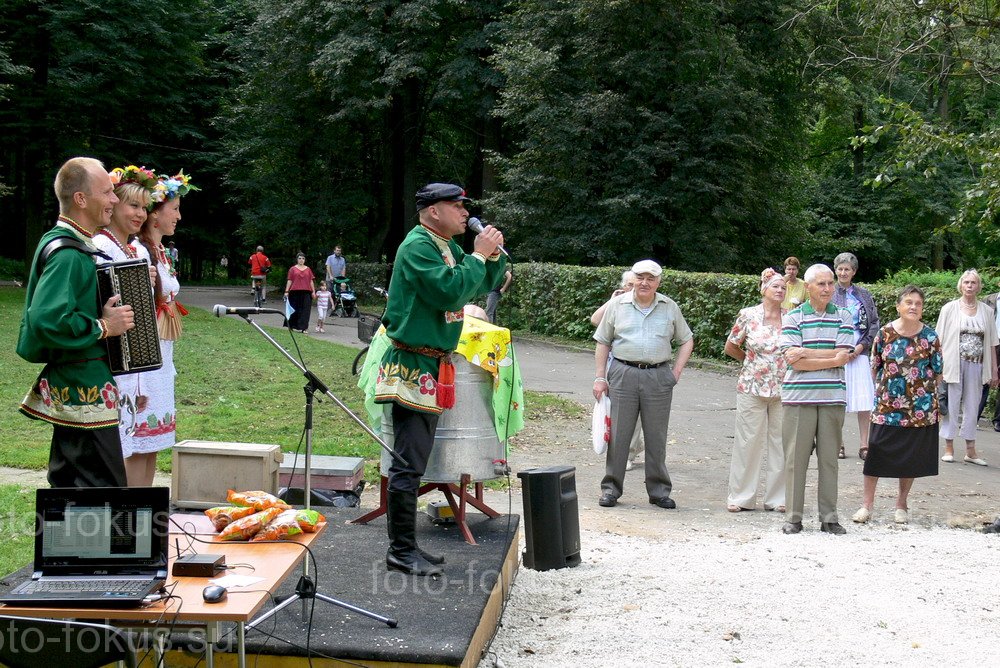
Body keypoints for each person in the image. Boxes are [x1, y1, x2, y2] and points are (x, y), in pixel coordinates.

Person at [374, 182, 506, 576]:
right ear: (433, 210)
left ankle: (407, 546)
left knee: (414, 461)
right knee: (408, 464)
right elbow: (450, 292)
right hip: (412, 366)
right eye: (456, 205)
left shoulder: (442, 245)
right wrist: (479, 256)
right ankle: (400, 550)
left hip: (431, 365)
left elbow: (479, 282)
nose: (465, 212)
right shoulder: (417, 246)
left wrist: (492, 257)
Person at [17, 156, 135, 487]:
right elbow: (47, 318)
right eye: (107, 192)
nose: (114, 199)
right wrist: (104, 326)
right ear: (81, 199)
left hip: (79, 382)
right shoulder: (68, 254)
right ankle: (94, 541)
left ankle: (70, 540)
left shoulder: (68, 243)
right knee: (102, 492)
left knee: (71, 488)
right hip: (84, 388)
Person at [593, 259, 694, 510]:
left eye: (651, 278)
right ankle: (611, 489)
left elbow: (687, 339)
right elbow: (603, 341)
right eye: (640, 277)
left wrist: (676, 372)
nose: (645, 283)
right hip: (623, 373)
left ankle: (659, 491)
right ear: (633, 279)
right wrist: (599, 377)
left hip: (658, 376)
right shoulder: (617, 305)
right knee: (619, 435)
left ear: (658, 282)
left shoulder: (669, 306)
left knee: (656, 436)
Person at [853, 286, 942, 525]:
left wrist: (932, 403)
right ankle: (866, 505)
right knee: (876, 453)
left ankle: (901, 504)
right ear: (898, 306)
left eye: (918, 304)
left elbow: (937, 373)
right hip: (887, 407)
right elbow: (875, 367)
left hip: (919, 408)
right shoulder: (884, 333)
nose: (913, 307)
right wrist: (880, 395)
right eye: (908, 302)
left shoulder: (930, 337)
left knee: (910, 458)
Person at [131, 170, 197, 487]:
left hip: (162, 358)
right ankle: (130, 513)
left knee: (153, 442)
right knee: (136, 441)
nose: (179, 217)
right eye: (175, 209)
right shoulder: (139, 252)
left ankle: (144, 509)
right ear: (154, 213)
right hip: (143, 363)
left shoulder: (162, 253)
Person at [780, 263, 853, 535]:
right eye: (821, 284)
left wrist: (807, 354)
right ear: (807, 287)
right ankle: (793, 516)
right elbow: (792, 361)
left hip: (833, 397)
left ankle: (830, 517)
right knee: (795, 459)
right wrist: (831, 358)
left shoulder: (844, 316)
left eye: (830, 283)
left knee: (829, 459)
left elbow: (844, 355)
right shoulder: (794, 316)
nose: (827, 288)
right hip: (798, 397)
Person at [93, 165, 158, 456]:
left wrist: (142, 379)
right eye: (134, 205)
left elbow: (143, 316)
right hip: (110, 358)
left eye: (144, 208)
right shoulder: (100, 245)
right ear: (115, 203)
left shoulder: (137, 249)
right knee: (111, 450)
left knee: (125, 448)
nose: (140, 214)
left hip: (132, 362)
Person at [724, 267, 787, 513]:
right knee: (747, 442)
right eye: (775, 286)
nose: (780, 290)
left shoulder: (791, 317)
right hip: (751, 386)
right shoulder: (748, 315)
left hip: (784, 389)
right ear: (764, 289)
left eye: (783, 287)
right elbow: (731, 346)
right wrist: (752, 364)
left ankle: (778, 498)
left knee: (782, 443)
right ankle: (740, 497)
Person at [935, 269, 998, 466]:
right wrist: (939, 366)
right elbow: (939, 339)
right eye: (966, 282)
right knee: (952, 403)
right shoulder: (949, 308)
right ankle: (949, 446)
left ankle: (970, 450)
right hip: (954, 363)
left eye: (973, 283)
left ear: (979, 287)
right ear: (961, 285)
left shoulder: (987, 312)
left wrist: (995, 369)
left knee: (973, 405)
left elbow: (992, 344)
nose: (970, 286)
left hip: (977, 363)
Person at [590, 270, 645, 470]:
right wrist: (611, 300)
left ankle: (629, 453)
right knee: (617, 408)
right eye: (628, 285)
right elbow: (595, 320)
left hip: (637, 364)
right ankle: (633, 445)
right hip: (615, 364)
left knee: (636, 411)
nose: (632, 288)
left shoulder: (645, 304)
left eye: (634, 284)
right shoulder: (618, 303)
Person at [832, 252, 880, 460]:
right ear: (836, 270)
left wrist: (861, 348)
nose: (843, 272)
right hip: (835, 353)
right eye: (840, 269)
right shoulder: (829, 292)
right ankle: (838, 444)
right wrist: (839, 349)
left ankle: (864, 444)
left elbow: (874, 323)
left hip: (859, 353)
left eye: (847, 269)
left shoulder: (863, 295)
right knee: (837, 401)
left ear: (854, 272)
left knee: (864, 402)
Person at [284, 252, 316, 333]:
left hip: (306, 292)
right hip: (294, 292)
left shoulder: (308, 269)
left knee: (305, 310)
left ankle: (304, 328)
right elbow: (289, 280)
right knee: (293, 309)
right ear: (297, 259)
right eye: (300, 258)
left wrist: (313, 291)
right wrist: (286, 291)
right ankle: (291, 326)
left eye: (303, 258)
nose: (301, 260)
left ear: (305, 260)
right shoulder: (292, 269)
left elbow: (311, 281)